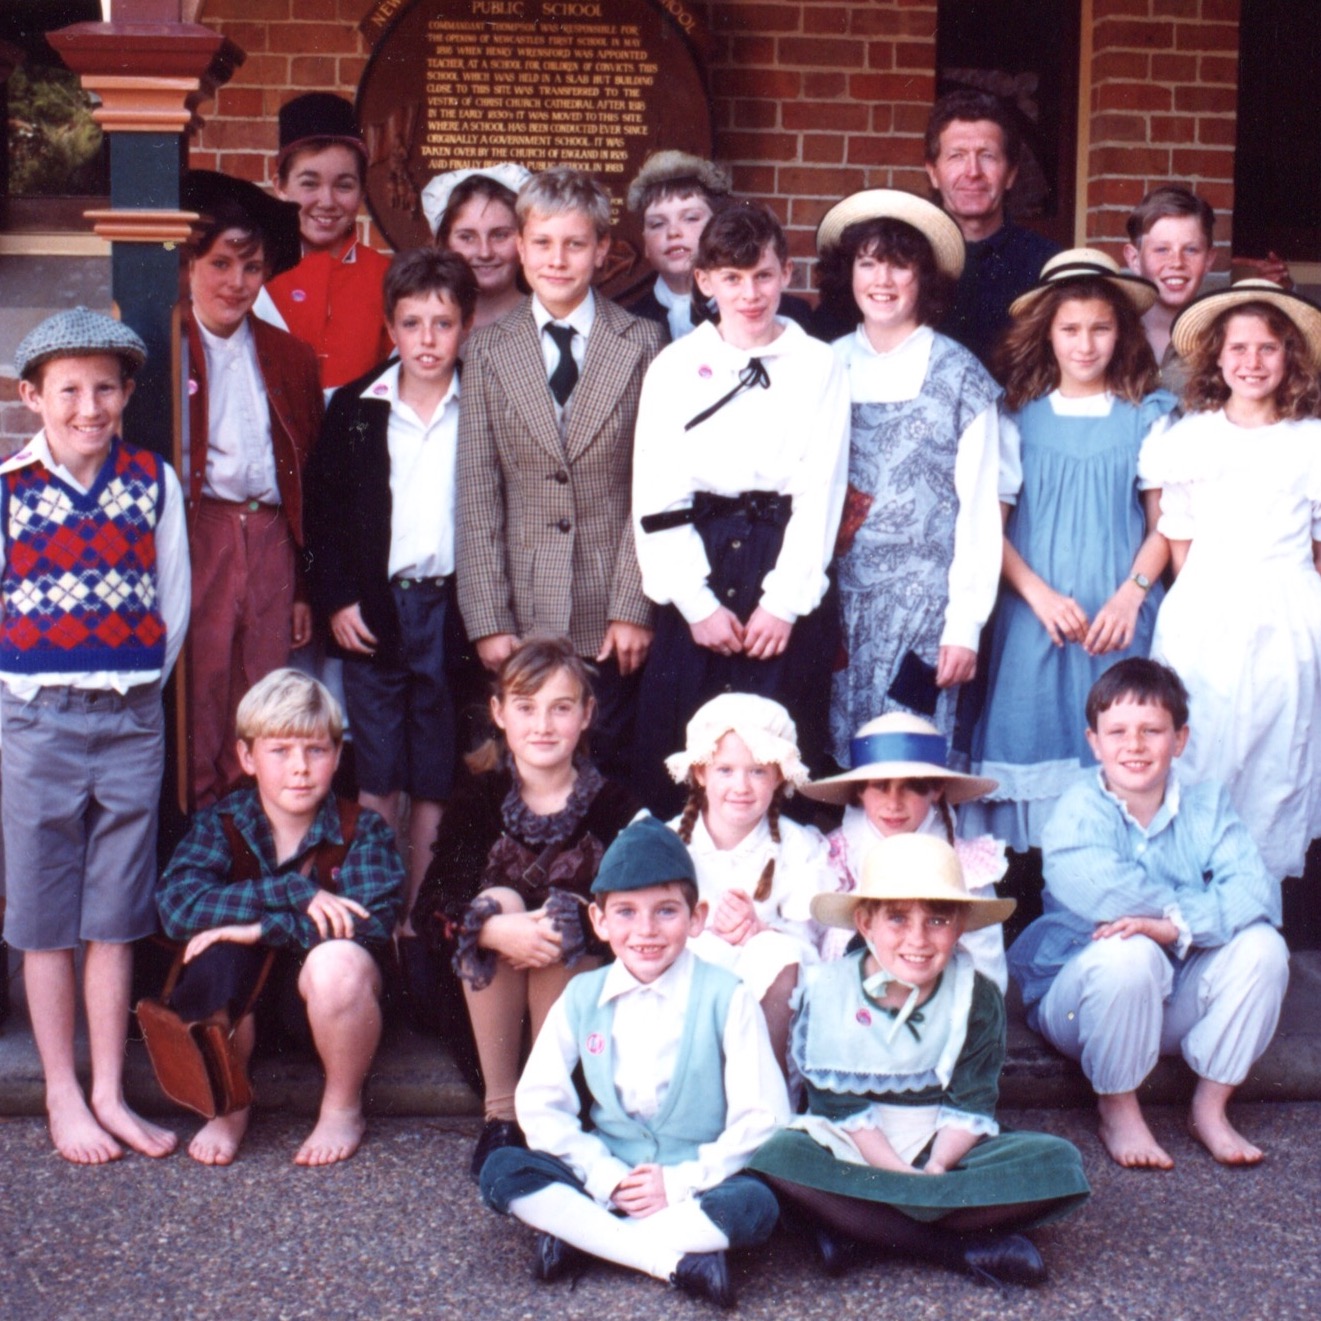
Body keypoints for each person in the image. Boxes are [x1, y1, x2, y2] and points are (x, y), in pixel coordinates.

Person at [3, 307, 190, 1164]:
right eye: (68, 389)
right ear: (31, 396)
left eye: (105, 387)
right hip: (38, 717)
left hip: (128, 713)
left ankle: (110, 1088)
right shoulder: (10, 489)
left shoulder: (151, 481)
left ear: (127, 394)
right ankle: (63, 1091)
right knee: (45, 914)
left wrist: (136, 680)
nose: (89, 405)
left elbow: (172, 601)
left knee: (115, 910)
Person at [748, 833, 1088, 1288]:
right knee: (777, 1156)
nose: (918, 939)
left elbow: (972, 1101)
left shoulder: (977, 995)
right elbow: (837, 1109)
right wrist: (901, 1176)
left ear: (962, 923)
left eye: (938, 919)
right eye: (897, 919)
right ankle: (954, 1248)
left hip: (941, 1142)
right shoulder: (829, 990)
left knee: (1058, 1163)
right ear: (865, 923)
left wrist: (934, 1171)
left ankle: (855, 1228)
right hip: (854, 1145)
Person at [479, 815, 788, 1310]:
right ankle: (674, 1261)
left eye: (666, 911)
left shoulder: (726, 997)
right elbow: (540, 1105)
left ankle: (585, 1239)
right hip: (606, 1175)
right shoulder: (583, 996)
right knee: (500, 1170)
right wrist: (604, 1176)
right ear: (600, 922)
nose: (645, 930)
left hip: (695, 1178)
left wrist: (681, 1181)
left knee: (755, 1207)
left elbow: (764, 1118)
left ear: (697, 917)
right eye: (625, 912)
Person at [1009, 659, 1289, 1169]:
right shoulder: (1075, 808)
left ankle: (1209, 1107)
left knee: (1264, 946)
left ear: (1179, 740)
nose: (1134, 745)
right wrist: (1198, 914)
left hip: (1173, 1000)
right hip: (1086, 1002)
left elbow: (1257, 892)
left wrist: (1175, 927)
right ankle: (1117, 1107)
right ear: (1094, 742)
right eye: (1117, 731)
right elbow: (1105, 893)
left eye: (1152, 731)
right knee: (1128, 949)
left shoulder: (1208, 806)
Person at [632, 201, 849, 815]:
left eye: (762, 275)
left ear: (785, 274)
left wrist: (784, 603)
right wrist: (696, 604)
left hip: (783, 557)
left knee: (779, 745)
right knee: (688, 749)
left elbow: (821, 492)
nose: (749, 294)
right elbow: (656, 493)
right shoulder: (675, 368)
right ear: (704, 282)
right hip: (698, 554)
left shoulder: (818, 364)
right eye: (731, 278)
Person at [456, 168, 664, 787]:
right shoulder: (489, 350)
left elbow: (651, 486)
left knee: (609, 767)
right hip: (524, 607)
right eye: (542, 243)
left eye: (575, 244)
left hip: (610, 612)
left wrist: (635, 607)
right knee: (525, 772)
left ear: (603, 251)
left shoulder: (644, 342)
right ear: (520, 249)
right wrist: (489, 618)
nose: (557, 259)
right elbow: (476, 494)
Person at [411, 637, 641, 1181]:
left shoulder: (614, 804)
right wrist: (490, 929)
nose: (543, 725)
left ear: (586, 716)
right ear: (498, 713)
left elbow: (640, 908)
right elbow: (431, 907)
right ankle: (501, 1115)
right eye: (526, 707)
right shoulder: (479, 799)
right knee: (498, 901)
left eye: (561, 708)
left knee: (567, 912)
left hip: (580, 1013)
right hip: (492, 1024)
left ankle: (553, 1111)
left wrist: (575, 923)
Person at [968, 250, 1176, 850]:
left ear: (1122, 333)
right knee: (1032, 743)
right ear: (1047, 334)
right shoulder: (1015, 418)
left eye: (1101, 328)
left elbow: (1164, 527)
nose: (1085, 345)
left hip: (1119, 621)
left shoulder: (1148, 416)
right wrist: (1038, 595)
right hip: (1038, 617)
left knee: (1123, 747)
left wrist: (1130, 598)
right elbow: (992, 527)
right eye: (1070, 330)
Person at [157, 669, 403, 1166]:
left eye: (316, 750)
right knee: (211, 947)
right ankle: (229, 1103)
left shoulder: (362, 828)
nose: (300, 768)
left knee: (338, 959)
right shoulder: (223, 822)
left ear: (337, 756)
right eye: (280, 751)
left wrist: (262, 926)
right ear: (248, 757)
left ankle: (341, 1106)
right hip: (240, 1007)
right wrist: (290, 891)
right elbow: (178, 904)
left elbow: (371, 920)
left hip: (327, 1008)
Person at [304, 248, 476, 948]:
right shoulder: (355, 408)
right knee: (377, 767)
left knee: (435, 769)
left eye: (443, 323)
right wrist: (337, 598)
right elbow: (324, 516)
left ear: (465, 327)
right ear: (390, 327)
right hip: (375, 610)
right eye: (413, 323)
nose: (428, 340)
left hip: (451, 610)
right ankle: (373, 909)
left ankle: (419, 919)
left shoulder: (482, 403)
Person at [1139, 279, 1321, 881]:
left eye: (1268, 348)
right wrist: (1209, 606)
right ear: (1216, 356)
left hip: (1287, 612)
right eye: (1238, 348)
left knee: (1277, 755)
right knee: (1204, 746)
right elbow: (1179, 538)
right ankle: (1191, 887)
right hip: (1207, 611)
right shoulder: (1191, 437)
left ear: (1290, 357)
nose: (1252, 362)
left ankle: (1257, 898)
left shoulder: (1310, 441)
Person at [814, 188, 1001, 755]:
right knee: (834, 762)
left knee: (907, 758)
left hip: (924, 616)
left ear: (926, 277)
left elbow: (979, 513)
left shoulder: (960, 377)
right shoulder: (826, 365)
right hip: (835, 611)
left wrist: (963, 625)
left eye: (899, 263)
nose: (883, 279)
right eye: (868, 262)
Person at [181, 173, 325, 808]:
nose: (236, 282)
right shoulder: (170, 346)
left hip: (268, 537)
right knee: (202, 683)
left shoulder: (287, 355)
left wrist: (301, 584)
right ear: (190, 264)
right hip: (202, 532)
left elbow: (308, 477)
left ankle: (257, 833)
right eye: (220, 264)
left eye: (251, 266)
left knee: (263, 688)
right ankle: (199, 824)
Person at [664, 693, 833, 1073]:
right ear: (701, 773)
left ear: (777, 775)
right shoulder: (669, 842)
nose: (741, 786)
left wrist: (758, 931)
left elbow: (808, 941)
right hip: (687, 984)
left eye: (757, 771)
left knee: (773, 953)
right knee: (703, 950)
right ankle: (694, 1090)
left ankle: (768, 1094)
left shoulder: (796, 846)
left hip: (766, 982)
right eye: (725, 770)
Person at [802, 712, 1007, 990]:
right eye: (880, 787)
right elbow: (808, 942)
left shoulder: (964, 866)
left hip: (936, 1004)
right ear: (859, 791)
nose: (894, 803)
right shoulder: (835, 855)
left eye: (911, 787)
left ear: (936, 790)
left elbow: (986, 966)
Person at [259, 92, 394, 393]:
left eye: (344, 185)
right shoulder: (253, 272)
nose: (327, 201)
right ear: (279, 184)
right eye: (309, 183)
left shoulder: (386, 277)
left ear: (361, 192)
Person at [923, 89, 1059, 365]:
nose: (972, 172)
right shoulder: (904, 260)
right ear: (932, 173)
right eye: (957, 156)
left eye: (987, 155)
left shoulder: (1047, 264)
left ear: (1010, 174)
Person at [623, 151, 815, 342]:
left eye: (690, 218)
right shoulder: (629, 320)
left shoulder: (791, 314)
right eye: (657, 224)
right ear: (645, 243)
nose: (673, 232)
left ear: (718, 227)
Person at [1123, 185, 1293, 395]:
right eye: (1162, 249)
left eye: (1191, 249)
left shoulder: (1223, 337)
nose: (1177, 262)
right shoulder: (1114, 334)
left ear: (1209, 259)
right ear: (1134, 259)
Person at [424, 164, 531, 330]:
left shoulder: (548, 324)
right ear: (445, 243)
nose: (485, 252)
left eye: (500, 235)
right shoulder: (423, 327)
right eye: (467, 237)